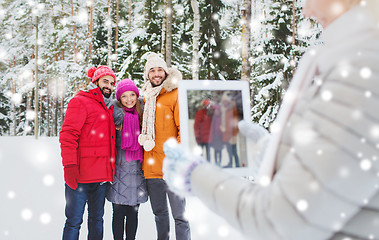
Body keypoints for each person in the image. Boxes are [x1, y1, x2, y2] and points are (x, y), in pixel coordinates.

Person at [162, 0, 379, 239]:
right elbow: (335, 174)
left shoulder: (361, 71)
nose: (307, 11)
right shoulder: (354, 60)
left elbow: (281, 219)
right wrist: (267, 150)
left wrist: (194, 175)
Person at [59, 65, 117, 240]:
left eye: (112, 83)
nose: (109, 85)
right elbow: (68, 135)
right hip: (80, 177)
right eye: (105, 81)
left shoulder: (109, 107)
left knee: (97, 220)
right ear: (95, 81)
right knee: (74, 222)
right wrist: (69, 165)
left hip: (100, 179)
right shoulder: (80, 101)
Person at [138, 53, 191, 240]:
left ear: (165, 72)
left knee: (180, 217)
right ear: (147, 75)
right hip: (152, 168)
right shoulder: (145, 97)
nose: (156, 73)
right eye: (152, 70)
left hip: (171, 167)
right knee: (160, 216)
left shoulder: (174, 93)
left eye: (159, 69)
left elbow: (182, 130)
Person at [106, 79, 148, 240]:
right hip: (119, 170)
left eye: (132, 95)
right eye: (124, 96)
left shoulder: (143, 116)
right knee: (118, 213)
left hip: (137, 171)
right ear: (119, 99)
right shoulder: (115, 116)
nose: (129, 99)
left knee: (133, 213)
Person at [219, 91, 240, 168]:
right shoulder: (225, 110)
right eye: (223, 102)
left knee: (233, 151)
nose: (224, 103)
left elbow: (234, 124)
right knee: (229, 151)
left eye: (225, 102)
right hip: (227, 134)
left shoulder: (232, 110)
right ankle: (230, 163)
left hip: (232, 135)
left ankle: (237, 165)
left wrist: (233, 134)